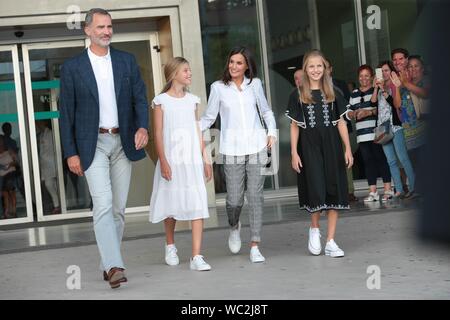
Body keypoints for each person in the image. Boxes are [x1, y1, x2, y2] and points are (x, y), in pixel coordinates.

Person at [59, 8, 149, 289]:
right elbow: (66, 115)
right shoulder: (72, 68)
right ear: (87, 30)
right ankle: (114, 266)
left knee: (119, 209)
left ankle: (106, 263)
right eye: (100, 27)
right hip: (91, 145)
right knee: (103, 204)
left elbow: (139, 99)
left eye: (109, 26)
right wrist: (70, 152)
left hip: (123, 141)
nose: (106, 31)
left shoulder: (126, 61)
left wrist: (143, 127)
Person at [201, 46, 277, 263]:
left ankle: (255, 244)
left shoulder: (255, 84)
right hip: (231, 149)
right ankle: (234, 226)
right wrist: (192, 126)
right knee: (234, 199)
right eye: (231, 62)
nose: (234, 66)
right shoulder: (218, 88)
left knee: (255, 196)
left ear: (247, 66)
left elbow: (266, 110)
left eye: (239, 63)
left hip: (256, 146)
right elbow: (209, 117)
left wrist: (271, 131)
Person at [286, 49, 353, 258]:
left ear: (325, 68)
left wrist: (347, 148)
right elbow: (294, 126)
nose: (316, 70)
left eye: (319, 66)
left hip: (332, 146)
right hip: (309, 147)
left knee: (334, 189)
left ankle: (331, 241)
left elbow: (341, 122)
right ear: (305, 69)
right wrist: (294, 153)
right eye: (311, 66)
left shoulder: (334, 93)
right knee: (316, 187)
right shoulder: (297, 94)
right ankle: (314, 228)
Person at [150, 57, 212, 271]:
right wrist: (164, 161)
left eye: (189, 70)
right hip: (172, 160)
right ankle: (170, 245)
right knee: (170, 205)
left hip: (192, 160)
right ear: (173, 73)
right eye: (185, 70)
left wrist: (205, 159)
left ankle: (197, 256)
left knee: (197, 204)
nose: (189, 73)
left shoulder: (193, 100)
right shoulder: (161, 101)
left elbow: (197, 130)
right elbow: (157, 134)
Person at [347, 65, 393, 202]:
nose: (364, 78)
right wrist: (353, 113)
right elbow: (349, 111)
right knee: (368, 163)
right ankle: (373, 192)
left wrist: (368, 112)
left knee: (381, 159)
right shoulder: (354, 93)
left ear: (372, 77)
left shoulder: (376, 90)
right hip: (362, 135)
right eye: (361, 76)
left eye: (367, 75)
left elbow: (380, 109)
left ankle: (387, 189)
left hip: (376, 133)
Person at [374, 61, 415, 199]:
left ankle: (414, 187)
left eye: (386, 70)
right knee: (391, 161)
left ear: (391, 72)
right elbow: (373, 103)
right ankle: (399, 189)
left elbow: (394, 104)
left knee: (403, 158)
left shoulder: (393, 85)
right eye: (381, 71)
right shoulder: (379, 87)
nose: (384, 73)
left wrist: (386, 89)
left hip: (395, 126)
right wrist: (377, 88)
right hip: (383, 129)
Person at [36, 121, 61, 214]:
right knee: (49, 184)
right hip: (45, 165)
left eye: (38, 123)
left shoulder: (50, 134)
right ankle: (57, 205)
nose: (37, 125)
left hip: (52, 163)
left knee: (52, 185)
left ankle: (58, 205)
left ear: (44, 123)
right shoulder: (41, 135)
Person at [0, 135, 17, 218]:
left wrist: (11, 164)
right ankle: (7, 212)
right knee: (5, 193)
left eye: (1, 140)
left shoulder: (9, 151)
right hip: (2, 176)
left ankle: (13, 211)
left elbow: (16, 161)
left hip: (10, 174)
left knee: (10, 191)